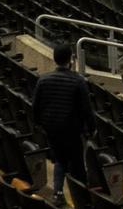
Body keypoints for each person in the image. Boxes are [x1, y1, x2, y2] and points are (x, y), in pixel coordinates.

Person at [31, 43, 93, 199]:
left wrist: (41, 125)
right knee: (77, 164)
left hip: (52, 129)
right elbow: (87, 109)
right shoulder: (78, 81)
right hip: (72, 130)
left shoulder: (43, 80)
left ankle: (58, 192)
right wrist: (91, 129)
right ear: (71, 59)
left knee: (60, 160)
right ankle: (82, 198)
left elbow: (35, 107)